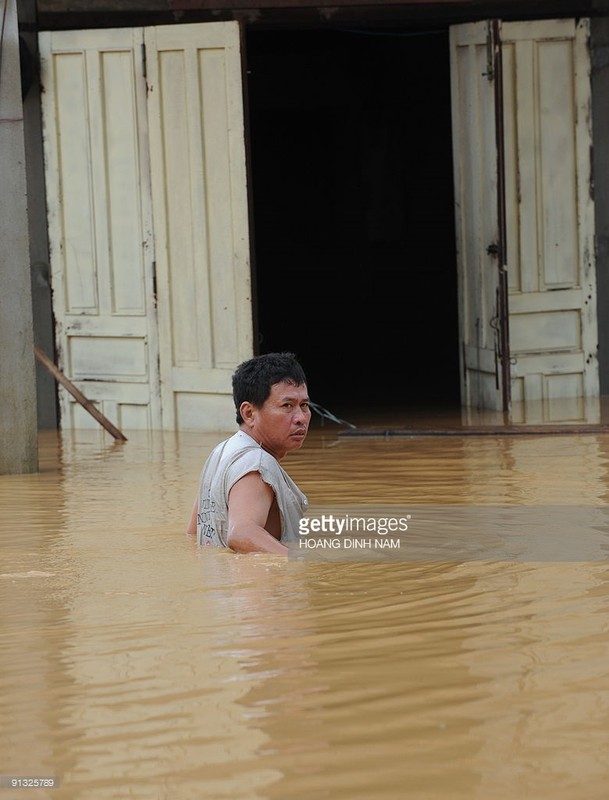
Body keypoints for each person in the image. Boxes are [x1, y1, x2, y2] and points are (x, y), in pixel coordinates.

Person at [186, 352, 311, 554]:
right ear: (249, 413)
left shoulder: (221, 452)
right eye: (287, 405)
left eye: (304, 405)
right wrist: (304, 563)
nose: (301, 418)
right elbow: (242, 533)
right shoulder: (258, 463)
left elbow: (194, 534)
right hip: (262, 585)